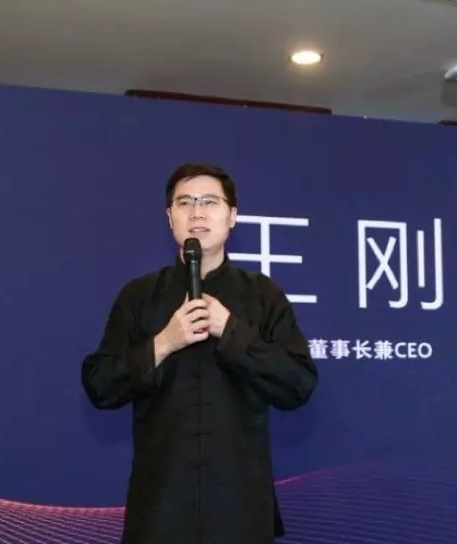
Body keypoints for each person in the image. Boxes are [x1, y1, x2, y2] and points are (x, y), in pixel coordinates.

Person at [81, 162, 319, 544]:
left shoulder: (263, 295)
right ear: (169, 217)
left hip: (239, 511)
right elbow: (100, 384)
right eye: (185, 202)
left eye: (210, 202)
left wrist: (232, 331)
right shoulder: (139, 296)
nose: (197, 213)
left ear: (232, 216)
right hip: (160, 512)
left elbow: (299, 384)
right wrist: (165, 342)